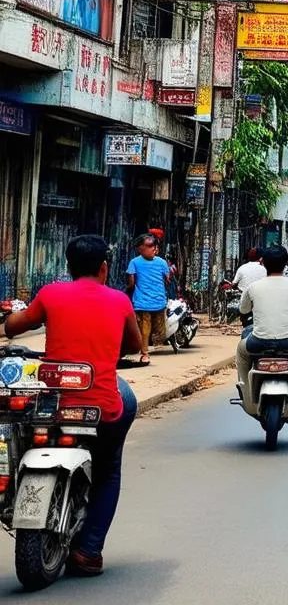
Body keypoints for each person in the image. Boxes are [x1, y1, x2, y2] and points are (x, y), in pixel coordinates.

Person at [5, 234, 142, 577]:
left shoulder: (50, 293)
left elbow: (13, 328)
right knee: (109, 467)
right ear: (104, 267)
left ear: (68, 266)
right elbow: (134, 343)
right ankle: (89, 549)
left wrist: (12, 319)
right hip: (101, 404)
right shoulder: (120, 300)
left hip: (54, 399)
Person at [236, 245, 288, 399]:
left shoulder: (253, 287)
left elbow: (243, 311)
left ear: (263, 263)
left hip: (257, 342)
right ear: (286, 264)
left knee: (241, 352)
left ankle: (246, 391)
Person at [126, 233, 171, 364]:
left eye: (155, 246)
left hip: (159, 301)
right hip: (142, 302)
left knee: (160, 332)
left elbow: (167, 279)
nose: (153, 249)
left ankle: (149, 347)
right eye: (150, 246)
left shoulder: (162, 262)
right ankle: (144, 354)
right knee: (145, 330)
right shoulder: (134, 262)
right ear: (140, 248)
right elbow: (131, 282)